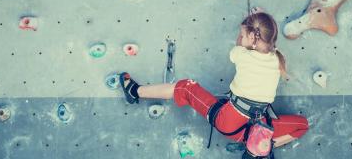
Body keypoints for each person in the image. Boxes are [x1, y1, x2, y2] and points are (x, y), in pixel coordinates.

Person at [118, 12, 309, 157]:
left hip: (229, 123)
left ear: (252, 39)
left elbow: (239, 46)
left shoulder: (241, 54)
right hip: (255, 129)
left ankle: (133, 91)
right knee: (302, 125)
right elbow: (261, 41)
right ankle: (258, 147)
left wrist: (247, 33)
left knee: (186, 87)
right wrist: (256, 31)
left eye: (242, 34)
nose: (240, 37)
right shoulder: (277, 58)